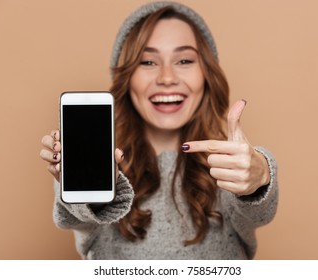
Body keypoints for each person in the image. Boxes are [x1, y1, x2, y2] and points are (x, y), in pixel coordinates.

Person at [40, 1, 278, 259]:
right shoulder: (100, 164)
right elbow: (79, 217)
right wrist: (89, 180)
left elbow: (258, 212)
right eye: (148, 62)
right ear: (126, 77)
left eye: (184, 60)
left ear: (206, 74)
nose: (166, 78)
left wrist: (260, 176)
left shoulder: (230, 167)